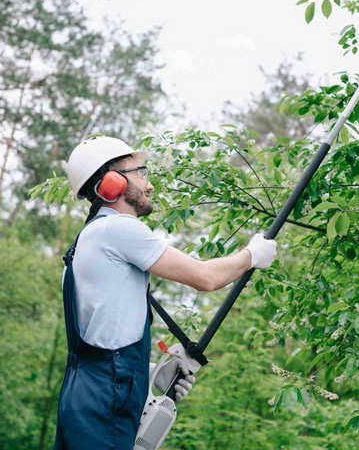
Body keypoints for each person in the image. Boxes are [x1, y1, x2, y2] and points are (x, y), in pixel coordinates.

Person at [54, 136, 277, 449]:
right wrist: (252, 255)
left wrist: (147, 373)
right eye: (141, 172)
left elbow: (101, 339)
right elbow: (205, 278)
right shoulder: (117, 229)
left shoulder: (85, 243)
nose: (149, 185)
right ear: (112, 183)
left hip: (86, 394)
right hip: (106, 397)